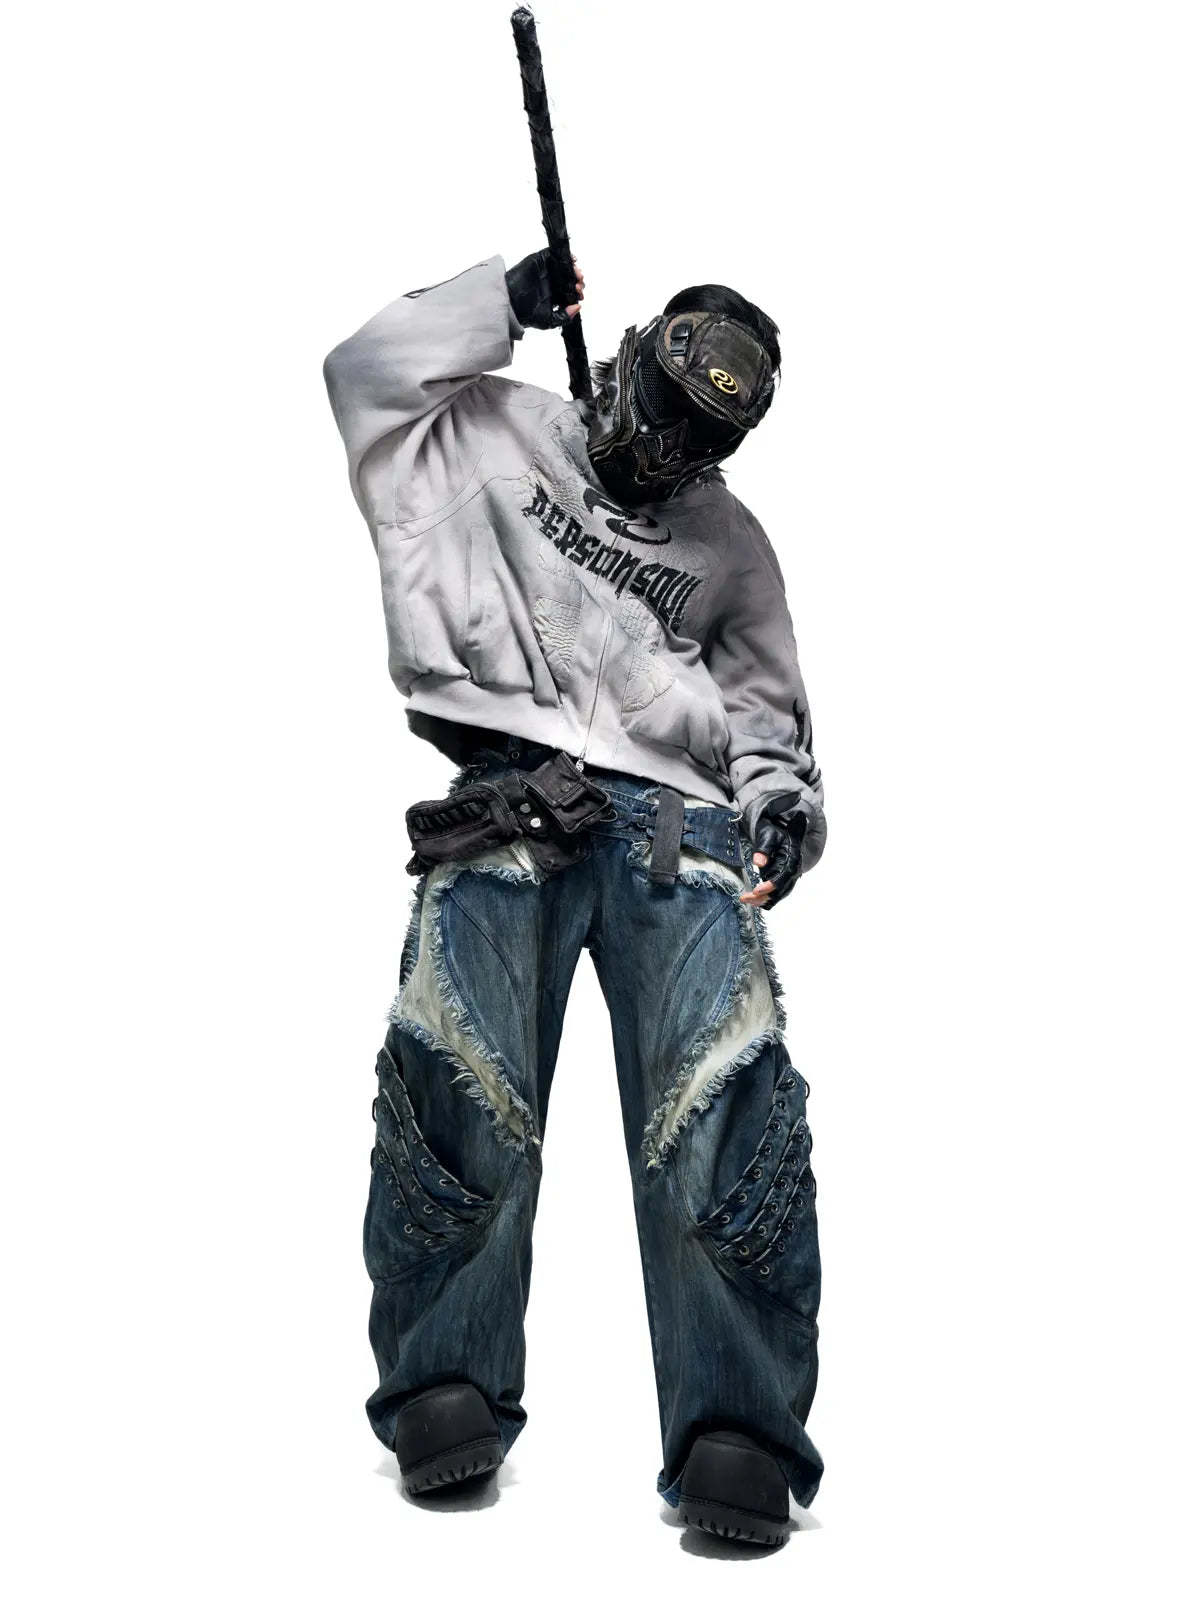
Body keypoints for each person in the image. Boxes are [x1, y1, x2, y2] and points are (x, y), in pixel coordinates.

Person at [322, 245, 827, 1546]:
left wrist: (782, 799)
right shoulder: (494, 427)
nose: (668, 454)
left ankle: (737, 1424)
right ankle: (443, 1380)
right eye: (665, 413)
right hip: (510, 800)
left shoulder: (730, 543)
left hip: (675, 826)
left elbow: (762, 700)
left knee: (720, 1100)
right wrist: (497, 303)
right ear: (630, 359)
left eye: (704, 440)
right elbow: (365, 374)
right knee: (466, 1080)